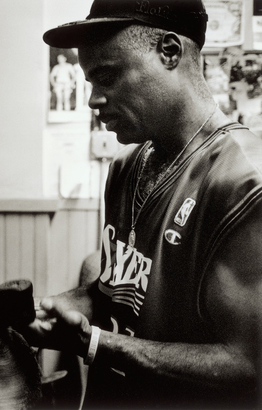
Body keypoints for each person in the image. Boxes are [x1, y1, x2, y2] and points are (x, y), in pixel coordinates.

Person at [26, 0, 262, 408]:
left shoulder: (243, 180)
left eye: (108, 76)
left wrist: (95, 343)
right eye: (89, 82)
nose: (93, 100)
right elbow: (118, 290)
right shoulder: (125, 166)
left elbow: (245, 364)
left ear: (169, 52)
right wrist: (46, 312)